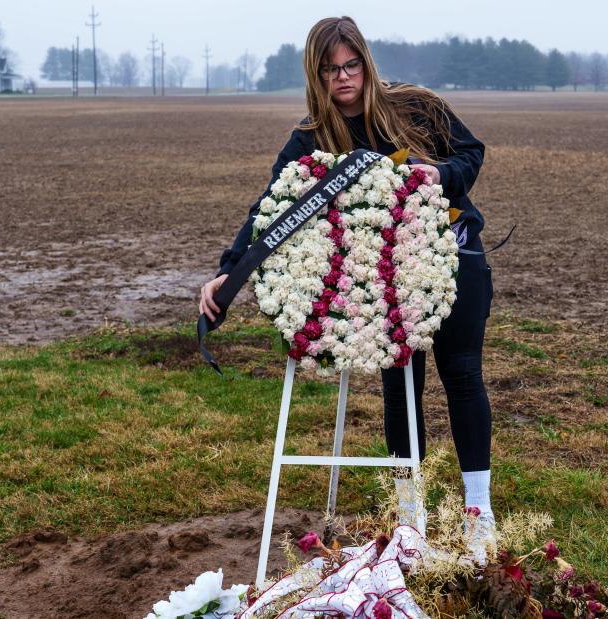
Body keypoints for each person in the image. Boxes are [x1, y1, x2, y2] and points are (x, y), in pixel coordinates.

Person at [199, 16, 495, 560]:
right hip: (379, 285)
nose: (343, 78)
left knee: (462, 374)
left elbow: (471, 153)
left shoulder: (417, 108)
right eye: (330, 70)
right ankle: (411, 517)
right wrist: (229, 268)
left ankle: (479, 513)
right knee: (399, 381)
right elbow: (270, 211)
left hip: (453, 256)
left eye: (351, 65)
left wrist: (440, 175)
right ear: (316, 75)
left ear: (365, 62)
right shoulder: (309, 140)